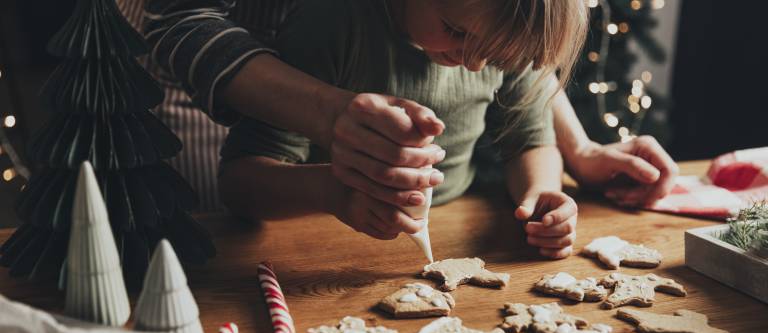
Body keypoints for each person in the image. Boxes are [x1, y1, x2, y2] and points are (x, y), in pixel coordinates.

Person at [137, 0, 679, 258]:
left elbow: (529, 135)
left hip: (455, 238)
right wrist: (333, 190)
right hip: (319, 247)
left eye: (490, 55)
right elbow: (241, 182)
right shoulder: (331, 29)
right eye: (454, 32)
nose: (473, 64)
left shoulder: (494, 35)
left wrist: (543, 194)